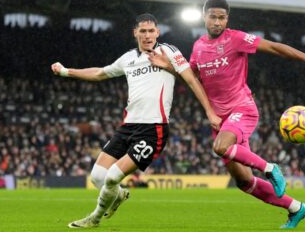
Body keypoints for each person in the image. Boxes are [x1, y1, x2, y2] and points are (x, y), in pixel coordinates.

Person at [149, 0, 305, 229]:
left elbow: (274, 47)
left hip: (242, 109)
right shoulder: (198, 47)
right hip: (219, 120)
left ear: (227, 19)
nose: (217, 22)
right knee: (244, 181)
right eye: (213, 17)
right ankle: (296, 208)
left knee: (220, 147)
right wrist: (168, 66)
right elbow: (193, 77)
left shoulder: (236, 38)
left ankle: (270, 168)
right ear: (204, 17)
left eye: (221, 17)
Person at [51, 13, 221, 228]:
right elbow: (99, 73)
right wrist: (66, 71)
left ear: (158, 32)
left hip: (153, 128)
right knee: (97, 177)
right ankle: (119, 196)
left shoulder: (168, 51)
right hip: (127, 126)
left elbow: (191, 79)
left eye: (151, 31)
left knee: (112, 176)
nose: (148, 35)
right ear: (135, 33)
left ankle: (94, 219)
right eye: (143, 31)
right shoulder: (128, 58)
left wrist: (210, 112)